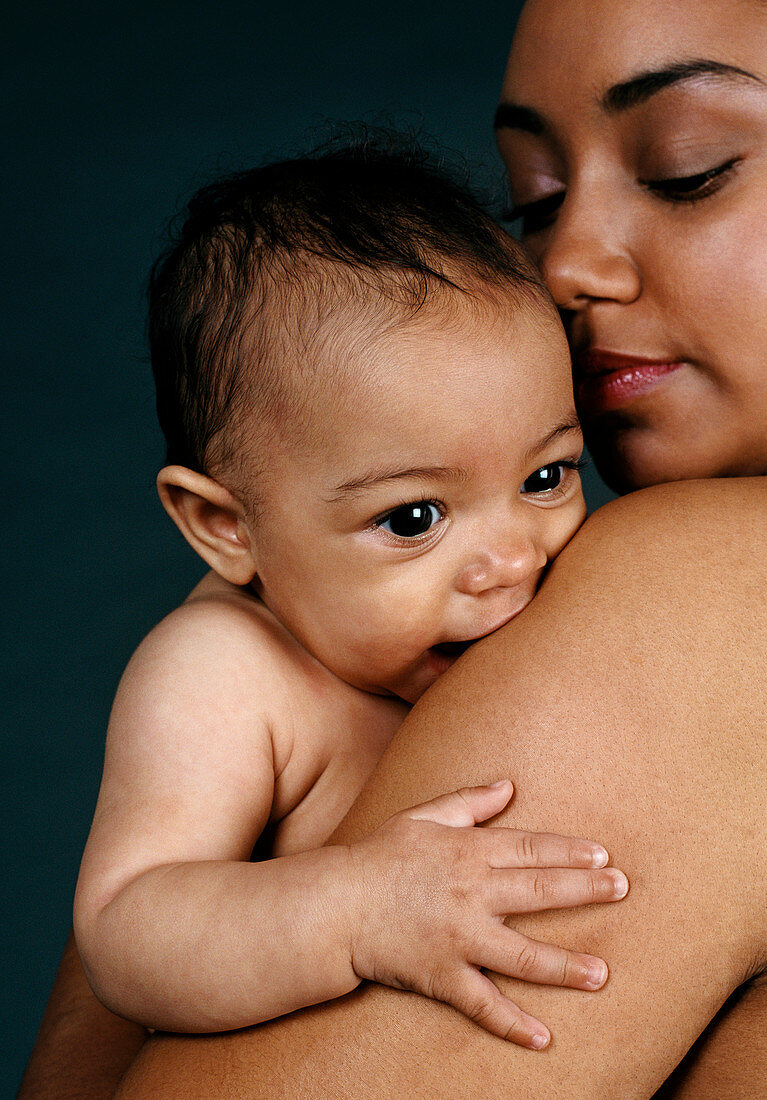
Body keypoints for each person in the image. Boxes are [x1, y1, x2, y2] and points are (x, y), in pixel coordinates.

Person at [19, 0, 767, 1095]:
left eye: (688, 169)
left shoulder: (698, 597)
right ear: (220, 522)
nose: (563, 268)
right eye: (532, 200)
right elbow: (136, 924)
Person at [71, 142, 629, 1054]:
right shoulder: (228, 672)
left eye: (544, 474)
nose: (510, 560)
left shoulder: (555, 591)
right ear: (226, 527)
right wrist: (357, 910)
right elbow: (128, 931)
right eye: (413, 517)